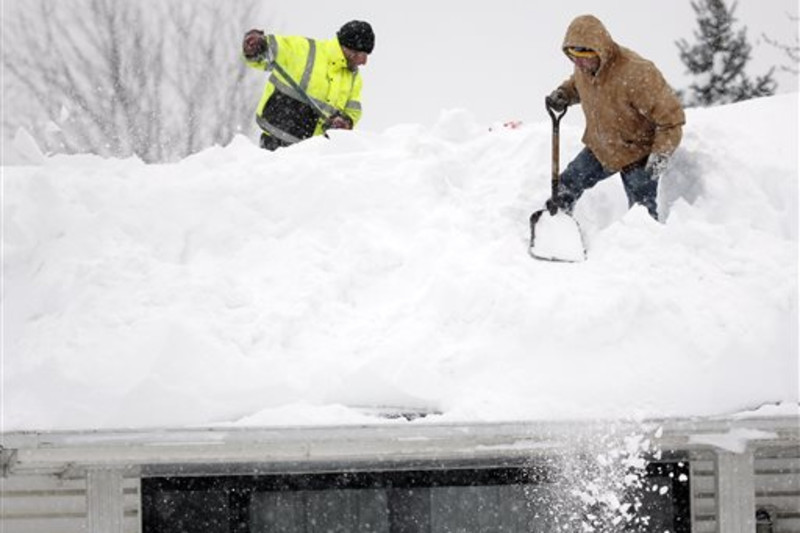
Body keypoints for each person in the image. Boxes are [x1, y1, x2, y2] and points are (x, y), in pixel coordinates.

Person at [544, 15, 685, 220]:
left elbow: (671, 119)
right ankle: (556, 224)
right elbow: (577, 84)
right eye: (574, 57)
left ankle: (646, 247)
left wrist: (660, 157)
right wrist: (564, 94)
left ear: (599, 49)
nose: (579, 64)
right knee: (565, 187)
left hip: (638, 154)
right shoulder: (584, 66)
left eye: (584, 57)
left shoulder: (637, 72)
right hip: (601, 147)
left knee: (642, 216)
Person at [242, 20, 375, 151]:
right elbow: (273, 50)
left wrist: (345, 121)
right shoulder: (306, 50)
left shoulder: (353, 78)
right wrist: (257, 45)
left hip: (312, 155)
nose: (364, 62)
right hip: (276, 145)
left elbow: (353, 111)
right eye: (363, 55)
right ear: (349, 49)